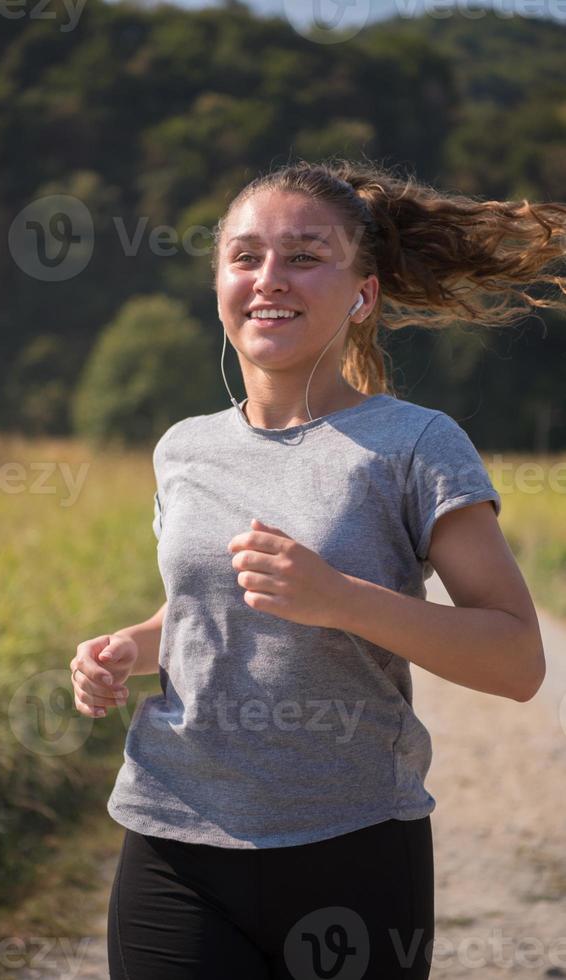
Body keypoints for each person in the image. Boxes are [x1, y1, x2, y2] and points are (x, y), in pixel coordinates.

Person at [70, 158, 565, 979]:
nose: (270, 279)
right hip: (172, 837)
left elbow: (517, 660)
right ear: (220, 281)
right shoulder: (184, 448)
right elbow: (209, 609)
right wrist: (129, 645)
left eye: (304, 256)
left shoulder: (414, 443)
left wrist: (340, 599)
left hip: (354, 852)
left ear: (362, 295)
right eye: (246, 256)